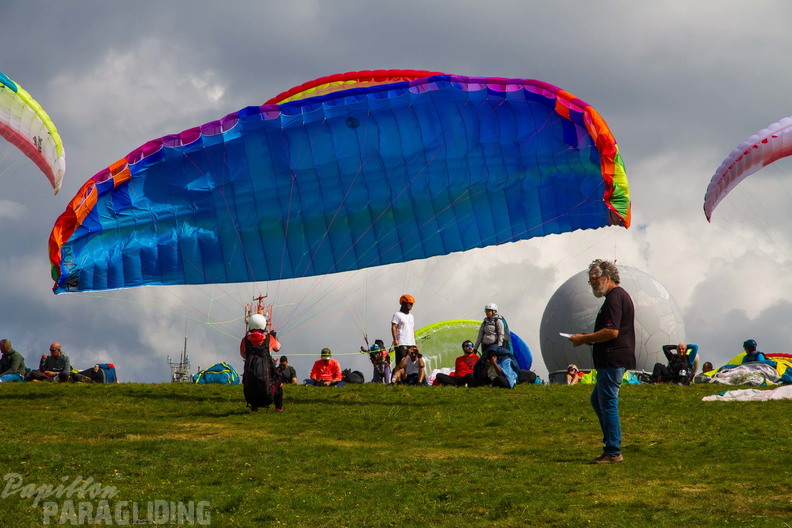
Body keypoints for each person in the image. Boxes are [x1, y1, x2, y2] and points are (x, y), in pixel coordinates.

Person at [569, 259, 635, 464]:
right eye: (591, 281)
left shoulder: (615, 297)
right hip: (610, 359)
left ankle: (614, 451)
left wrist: (584, 339)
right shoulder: (616, 297)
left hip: (612, 359)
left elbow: (611, 331)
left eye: (595, 280)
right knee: (598, 401)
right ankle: (610, 447)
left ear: (607, 278)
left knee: (607, 404)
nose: (593, 284)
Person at [240, 314, 283, 412]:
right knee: (278, 382)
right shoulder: (269, 339)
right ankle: (279, 407)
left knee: (251, 380)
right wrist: (274, 338)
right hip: (267, 393)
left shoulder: (245, 340)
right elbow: (278, 348)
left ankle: (254, 407)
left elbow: (243, 354)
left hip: (250, 388)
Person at [391, 294, 416, 368]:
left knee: (411, 363)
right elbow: (393, 327)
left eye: (412, 304)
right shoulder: (397, 315)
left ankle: (407, 379)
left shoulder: (411, 316)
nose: (412, 306)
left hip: (411, 343)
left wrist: (415, 342)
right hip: (401, 342)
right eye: (410, 303)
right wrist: (395, 340)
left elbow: (412, 329)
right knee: (401, 363)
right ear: (404, 303)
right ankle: (396, 379)